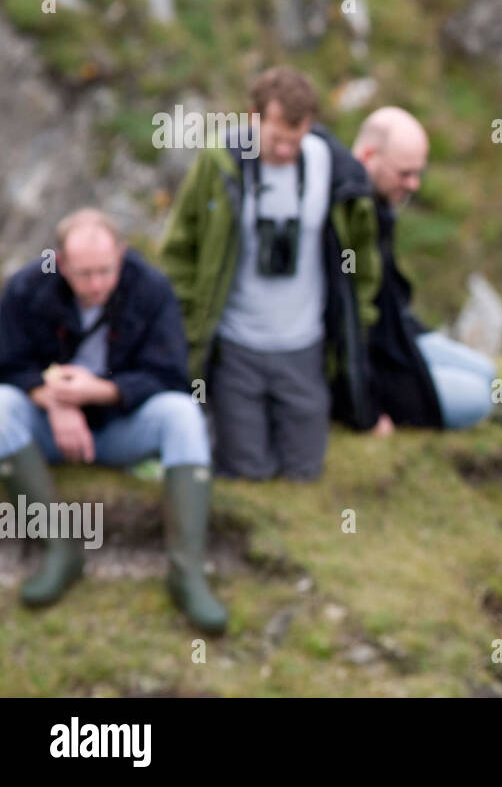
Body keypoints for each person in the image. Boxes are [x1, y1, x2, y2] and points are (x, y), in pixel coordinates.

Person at [0, 209, 227, 631]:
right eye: (84, 274)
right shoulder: (27, 287)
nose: (97, 284)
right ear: (61, 263)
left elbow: (171, 374)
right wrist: (52, 399)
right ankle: (60, 548)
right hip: (47, 429)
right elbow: (7, 362)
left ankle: (186, 571)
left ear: (121, 254)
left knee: (183, 414)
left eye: (106, 270)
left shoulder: (152, 288)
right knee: (1, 407)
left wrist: (101, 390)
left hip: (121, 425)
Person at [159, 67, 380, 480]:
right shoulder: (220, 164)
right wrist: (187, 324)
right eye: (276, 139)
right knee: (247, 470)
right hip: (235, 347)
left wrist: (358, 322)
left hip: (305, 347)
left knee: (303, 471)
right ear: (252, 117)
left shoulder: (334, 169)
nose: (284, 152)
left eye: (295, 142)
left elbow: (363, 259)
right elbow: (180, 250)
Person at [352, 106, 496, 433]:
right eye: (404, 174)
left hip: (399, 337)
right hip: (380, 363)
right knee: (480, 398)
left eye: (418, 173)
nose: (414, 184)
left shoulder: (379, 207)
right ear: (368, 156)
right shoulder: (351, 212)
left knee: (488, 374)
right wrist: (367, 409)